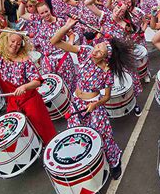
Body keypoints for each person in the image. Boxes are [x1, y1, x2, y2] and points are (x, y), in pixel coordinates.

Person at [51, 17, 135, 179]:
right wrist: (67, 26)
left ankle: (114, 161)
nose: (95, 50)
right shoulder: (83, 53)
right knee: (76, 134)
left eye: (100, 51)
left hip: (93, 107)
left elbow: (107, 97)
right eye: (97, 46)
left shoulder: (107, 71)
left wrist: (95, 104)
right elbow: (55, 42)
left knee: (103, 136)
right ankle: (86, 166)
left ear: (105, 58)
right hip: (76, 102)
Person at [0, 27, 57, 145]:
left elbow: (38, 81)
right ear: (6, 40)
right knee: (20, 134)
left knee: (43, 131)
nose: (15, 45)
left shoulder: (25, 60)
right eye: (12, 41)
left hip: (30, 101)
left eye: (18, 43)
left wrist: (24, 87)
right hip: (13, 101)